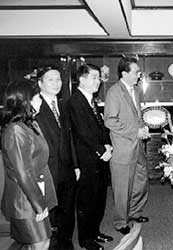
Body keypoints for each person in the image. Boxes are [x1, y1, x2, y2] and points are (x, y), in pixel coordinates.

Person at [1, 80, 57, 250]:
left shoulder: (30, 123)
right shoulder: (15, 130)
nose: (40, 100)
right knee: (40, 243)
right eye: (37, 96)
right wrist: (39, 206)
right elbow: (23, 173)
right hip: (25, 201)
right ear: (26, 101)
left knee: (42, 242)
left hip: (35, 195)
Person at [68, 64, 113, 250]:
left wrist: (108, 145)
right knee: (87, 201)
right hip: (87, 161)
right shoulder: (75, 102)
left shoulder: (91, 100)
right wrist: (101, 150)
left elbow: (100, 128)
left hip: (100, 157)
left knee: (99, 198)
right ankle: (86, 240)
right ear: (83, 79)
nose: (99, 81)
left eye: (99, 78)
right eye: (94, 77)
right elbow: (83, 133)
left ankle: (95, 232)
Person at [104, 57, 150, 237]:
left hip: (137, 146)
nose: (139, 75)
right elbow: (110, 121)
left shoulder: (136, 91)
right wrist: (135, 132)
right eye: (136, 72)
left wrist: (142, 128)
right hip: (123, 148)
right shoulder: (114, 92)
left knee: (140, 180)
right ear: (124, 73)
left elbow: (135, 116)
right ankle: (121, 222)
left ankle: (135, 213)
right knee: (122, 187)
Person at [35, 66, 77, 250]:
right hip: (47, 170)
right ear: (40, 83)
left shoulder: (63, 104)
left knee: (67, 212)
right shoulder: (34, 107)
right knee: (51, 215)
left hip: (67, 168)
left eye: (58, 79)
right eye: (50, 79)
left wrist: (76, 165)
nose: (56, 83)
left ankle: (66, 244)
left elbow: (70, 138)